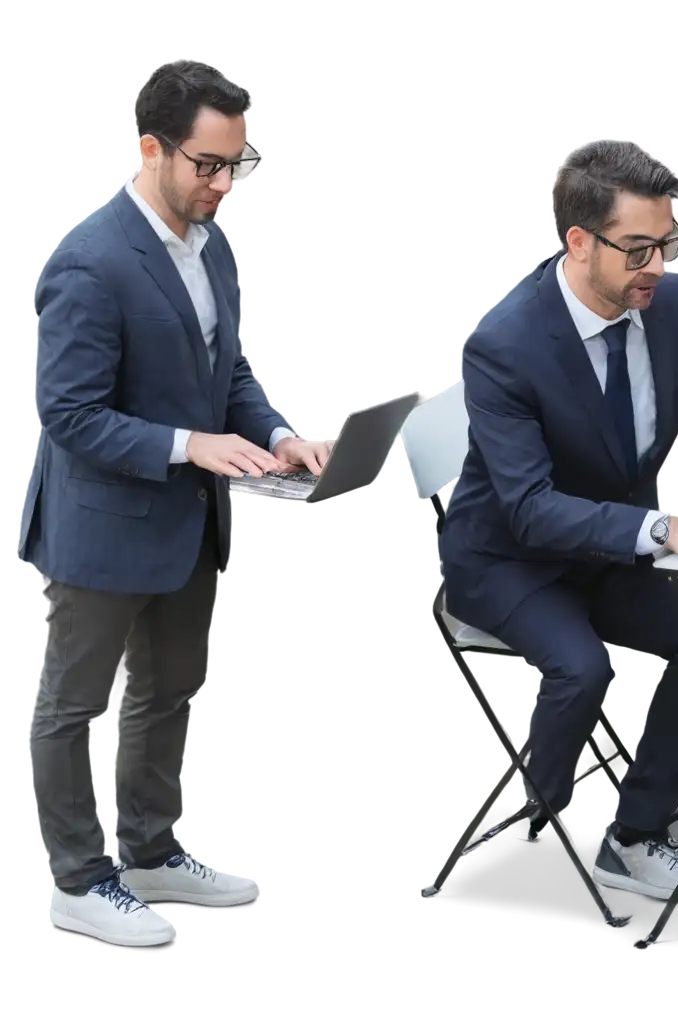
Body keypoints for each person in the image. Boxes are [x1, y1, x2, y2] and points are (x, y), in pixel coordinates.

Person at [440, 138, 678, 903]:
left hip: (608, 551)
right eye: (638, 248)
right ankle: (521, 835)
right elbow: (530, 507)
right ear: (579, 241)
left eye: (668, 241)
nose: (659, 266)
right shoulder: (505, 346)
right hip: (509, 557)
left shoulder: (671, 309)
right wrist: (663, 530)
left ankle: (638, 836)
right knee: (581, 666)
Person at [16, 58, 331, 948]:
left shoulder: (205, 240)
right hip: (105, 525)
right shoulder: (88, 260)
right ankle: (79, 882)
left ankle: (149, 854)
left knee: (170, 694)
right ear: (151, 149)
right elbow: (69, 415)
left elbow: (224, 370)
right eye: (208, 164)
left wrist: (274, 435)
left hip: (189, 523)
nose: (226, 183)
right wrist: (189, 446)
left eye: (240, 162)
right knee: (75, 709)